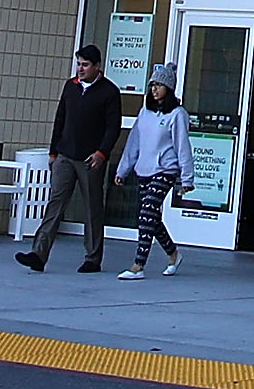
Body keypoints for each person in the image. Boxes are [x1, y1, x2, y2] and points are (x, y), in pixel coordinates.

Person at [17, 44, 120, 273]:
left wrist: (102, 153)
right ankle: (38, 254)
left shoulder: (109, 92)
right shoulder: (70, 87)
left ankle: (93, 258)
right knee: (55, 202)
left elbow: (113, 128)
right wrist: (53, 152)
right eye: (78, 64)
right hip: (65, 154)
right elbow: (60, 118)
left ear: (97, 66)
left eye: (85, 65)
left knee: (92, 208)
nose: (80, 69)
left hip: (90, 159)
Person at [112, 63, 187, 280]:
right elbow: (133, 142)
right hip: (143, 169)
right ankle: (173, 254)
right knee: (151, 217)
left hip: (165, 169)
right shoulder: (145, 112)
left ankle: (138, 265)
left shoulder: (177, 114)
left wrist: (187, 178)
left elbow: (183, 146)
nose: (154, 89)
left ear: (169, 88)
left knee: (146, 214)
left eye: (160, 85)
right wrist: (123, 169)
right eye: (152, 85)